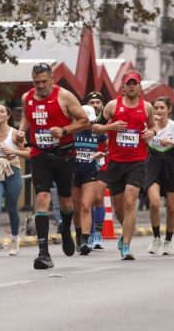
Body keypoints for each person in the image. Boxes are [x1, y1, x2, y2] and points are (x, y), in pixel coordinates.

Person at [17, 62, 89, 269]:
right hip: (40, 154)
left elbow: (85, 121)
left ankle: (65, 228)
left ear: (52, 79)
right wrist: (22, 130)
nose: (40, 86)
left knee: (66, 203)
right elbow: (26, 115)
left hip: (64, 156)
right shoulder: (27, 98)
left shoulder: (64, 96)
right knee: (42, 199)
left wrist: (65, 130)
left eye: (43, 82)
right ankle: (43, 254)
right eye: (36, 82)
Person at [93, 71, 157, 260]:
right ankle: (126, 230)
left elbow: (153, 127)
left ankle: (126, 247)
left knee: (131, 201)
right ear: (123, 86)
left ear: (139, 86)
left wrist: (150, 133)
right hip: (115, 161)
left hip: (137, 161)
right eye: (128, 83)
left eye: (134, 83)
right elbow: (95, 127)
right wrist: (110, 127)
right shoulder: (113, 106)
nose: (131, 86)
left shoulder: (146, 108)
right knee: (118, 206)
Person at [144, 97, 174, 255]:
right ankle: (156, 238)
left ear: (169, 109)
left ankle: (168, 241)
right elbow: (140, 143)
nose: (158, 111)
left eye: (162, 108)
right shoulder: (147, 126)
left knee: (171, 208)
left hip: (172, 165)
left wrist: (172, 143)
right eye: (155, 108)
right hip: (153, 165)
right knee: (154, 203)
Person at [0, 103, 29, 256]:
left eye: (1, 111)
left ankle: (15, 238)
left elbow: (28, 152)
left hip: (13, 170)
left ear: (8, 116)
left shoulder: (16, 134)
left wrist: (13, 151)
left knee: (11, 208)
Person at [71, 104, 106, 255]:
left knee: (86, 206)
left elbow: (109, 148)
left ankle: (86, 241)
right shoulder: (71, 132)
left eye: (91, 121)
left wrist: (101, 154)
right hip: (73, 172)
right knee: (76, 209)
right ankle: (79, 236)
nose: (89, 124)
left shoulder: (98, 133)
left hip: (90, 172)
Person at [85, 91, 108, 250]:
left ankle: (98, 234)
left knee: (98, 197)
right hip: (86, 162)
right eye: (92, 102)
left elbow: (110, 144)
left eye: (97, 102)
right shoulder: (82, 121)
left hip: (103, 163)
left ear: (102, 105)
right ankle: (89, 233)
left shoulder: (108, 121)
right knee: (87, 201)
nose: (95, 105)